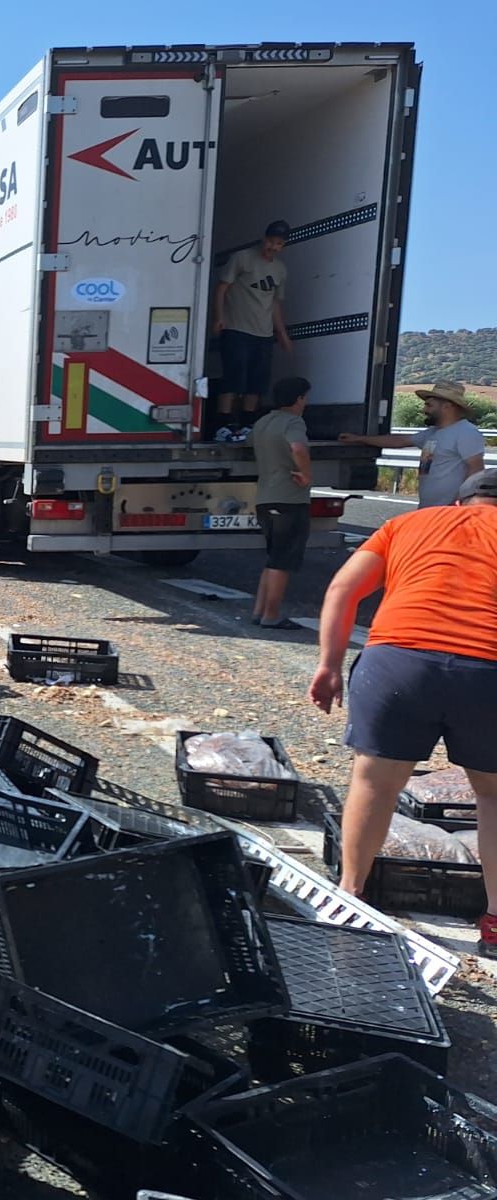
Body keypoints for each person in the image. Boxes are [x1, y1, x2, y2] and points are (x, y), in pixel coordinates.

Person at [308, 468, 497, 959]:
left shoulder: (409, 524)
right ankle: (495, 922)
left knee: (373, 784)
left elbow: (342, 590)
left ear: (458, 505)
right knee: (493, 797)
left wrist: (329, 666)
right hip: (490, 669)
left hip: (398, 661)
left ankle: (349, 896)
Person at [339, 380, 487, 508]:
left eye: (429, 405)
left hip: (448, 511)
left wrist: (459, 503)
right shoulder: (432, 433)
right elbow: (399, 441)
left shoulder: (466, 432)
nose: (424, 410)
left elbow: (476, 469)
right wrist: (360, 439)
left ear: (447, 406)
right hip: (429, 508)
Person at [212, 220, 294, 427]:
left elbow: (275, 303)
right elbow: (222, 288)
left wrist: (282, 334)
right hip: (236, 328)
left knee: (257, 383)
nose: (273, 247)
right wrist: (219, 317)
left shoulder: (280, 270)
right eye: (271, 241)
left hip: (263, 334)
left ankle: (248, 424)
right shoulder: (242, 258)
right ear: (264, 239)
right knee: (233, 377)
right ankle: (223, 424)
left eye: (279, 244)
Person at [250, 376, 312, 630]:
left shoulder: (263, 422)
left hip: (265, 497)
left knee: (273, 557)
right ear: (299, 399)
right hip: (289, 498)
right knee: (283, 560)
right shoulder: (293, 422)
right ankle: (271, 614)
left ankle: (259, 611)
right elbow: (298, 448)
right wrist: (306, 474)